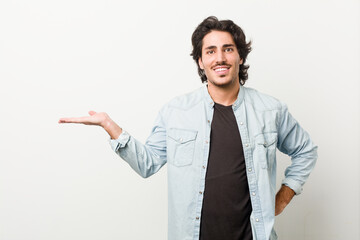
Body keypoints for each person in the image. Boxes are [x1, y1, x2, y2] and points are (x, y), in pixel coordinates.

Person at [59, 16, 317, 240]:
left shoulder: (270, 110)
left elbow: (306, 150)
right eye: (210, 51)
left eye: (228, 49)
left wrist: (284, 195)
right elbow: (147, 164)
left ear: (240, 55)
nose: (220, 58)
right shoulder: (176, 112)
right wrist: (109, 125)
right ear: (200, 61)